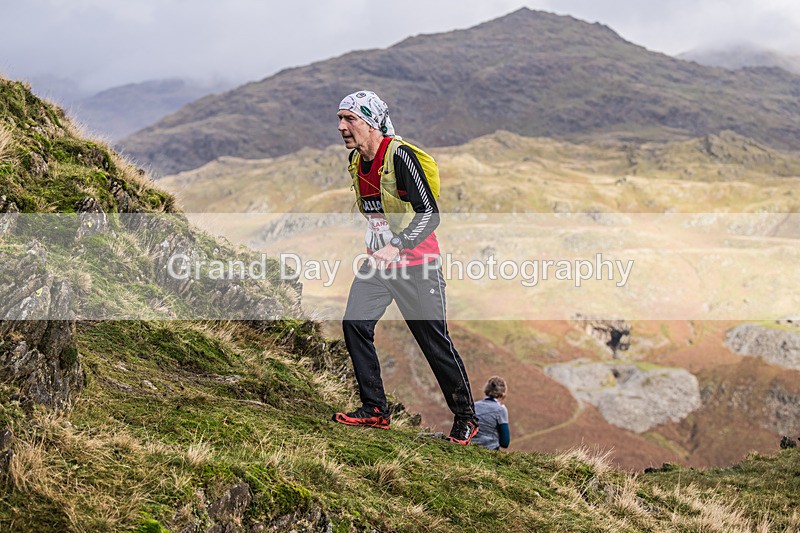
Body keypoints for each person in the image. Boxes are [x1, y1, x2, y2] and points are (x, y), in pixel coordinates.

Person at [331, 90, 479, 445]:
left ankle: (466, 418)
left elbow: (430, 214)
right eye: (339, 119)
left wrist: (396, 245)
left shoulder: (400, 157)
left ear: (369, 123)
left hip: (417, 265)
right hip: (380, 265)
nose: (341, 127)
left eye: (349, 119)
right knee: (355, 324)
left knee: (433, 342)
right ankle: (375, 409)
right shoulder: (357, 162)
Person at [472, 377, 511, 450]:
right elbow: (505, 442)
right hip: (490, 449)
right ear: (503, 393)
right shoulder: (500, 410)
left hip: (469, 446)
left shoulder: (474, 406)